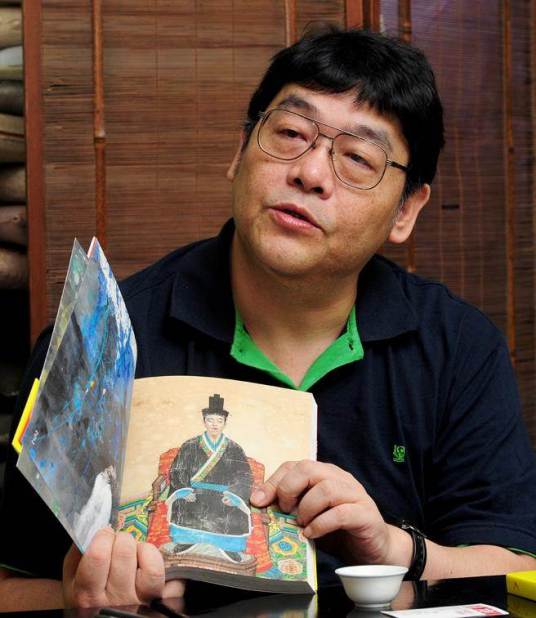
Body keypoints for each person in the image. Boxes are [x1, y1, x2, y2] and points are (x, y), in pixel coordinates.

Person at [1, 27, 535, 611]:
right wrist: (82, 597)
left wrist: (395, 549)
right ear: (240, 152)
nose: (310, 173)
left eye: (358, 158)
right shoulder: (101, 341)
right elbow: (10, 587)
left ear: (406, 208)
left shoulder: (459, 347)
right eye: (290, 133)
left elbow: (519, 569)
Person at [165, 394, 252, 563]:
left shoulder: (234, 448)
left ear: (225, 423)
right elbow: (178, 470)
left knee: (231, 510)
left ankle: (229, 547)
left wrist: (234, 495)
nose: (214, 424)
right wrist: (184, 491)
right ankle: (186, 541)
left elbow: (244, 475)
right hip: (194, 492)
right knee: (185, 503)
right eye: (210, 420)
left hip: (223, 495)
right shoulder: (189, 445)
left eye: (219, 421)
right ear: (204, 421)